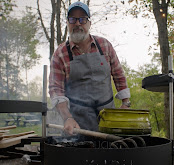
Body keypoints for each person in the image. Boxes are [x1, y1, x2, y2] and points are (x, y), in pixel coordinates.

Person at [49, 1, 131, 135]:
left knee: (110, 154)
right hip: (77, 124)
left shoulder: (105, 45)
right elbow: (56, 90)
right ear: (67, 23)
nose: (77, 24)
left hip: (108, 120)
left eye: (82, 19)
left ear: (89, 23)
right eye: (72, 19)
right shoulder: (60, 54)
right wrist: (67, 118)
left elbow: (119, 75)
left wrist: (125, 104)